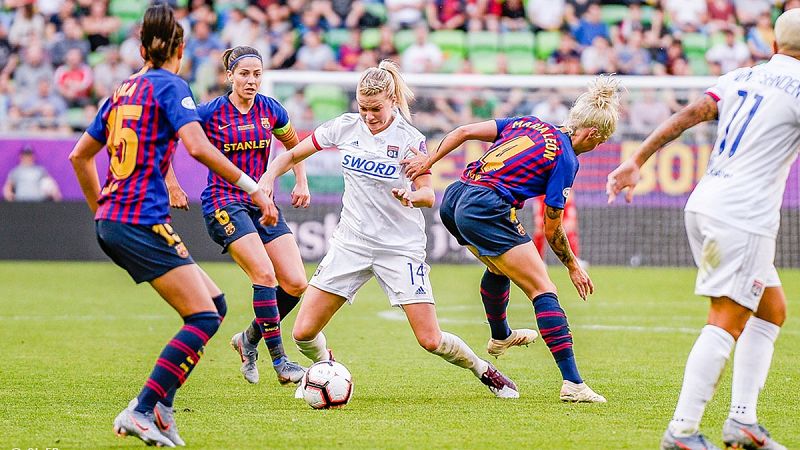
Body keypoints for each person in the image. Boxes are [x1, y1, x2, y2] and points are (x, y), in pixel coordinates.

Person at [68, 4, 275, 448]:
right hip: (139, 220)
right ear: (179, 50)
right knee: (202, 317)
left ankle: (162, 408)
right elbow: (197, 148)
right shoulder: (170, 84)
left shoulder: (123, 89)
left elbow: (79, 156)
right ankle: (142, 409)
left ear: (142, 49)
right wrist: (254, 188)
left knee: (215, 304)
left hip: (119, 217)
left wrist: (101, 209)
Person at [260, 59, 520, 399]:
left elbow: (428, 194)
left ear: (392, 101)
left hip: (399, 247)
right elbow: (291, 155)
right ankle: (326, 369)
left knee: (430, 339)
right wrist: (269, 178)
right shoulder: (344, 126)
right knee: (303, 334)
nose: (369, 116)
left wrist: (411, 197)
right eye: (363, 108)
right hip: (351, 243)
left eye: (376, 109)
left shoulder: (410, 140)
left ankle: (484, 370)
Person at [606, 9, 800, 450]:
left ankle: (742, 423)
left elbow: (690, 114)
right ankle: (682, 431)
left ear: (773, 46)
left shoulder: (740, 77)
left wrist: (637, 159)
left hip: (704, 203)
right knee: (726, 319)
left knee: (771, 311)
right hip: (743, 216)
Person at [403, 75, 622, 403]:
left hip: (455, 198)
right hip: (485, 206)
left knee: (499, 267)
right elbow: (552, 228)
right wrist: (573, 266)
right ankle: (573, 384)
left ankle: (501, 336)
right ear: (591, 133)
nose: (597, 147)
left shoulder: (529, 123)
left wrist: (428, 161)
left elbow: (463, 132)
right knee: (543, 289)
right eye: (600, 142)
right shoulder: (566, 158)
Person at [170, 45, 311, 386]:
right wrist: (172, 184)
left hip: (261, 203)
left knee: (296, 283)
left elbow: (295, 147)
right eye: (244, 74)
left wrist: (301, 180)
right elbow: (167, 141)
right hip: (223, 201)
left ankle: (248, 340)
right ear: (229, 76)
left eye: (257, 74)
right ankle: (280, 362)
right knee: (264, 274)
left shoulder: (270, 109)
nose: (251, 80)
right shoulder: (209, 112)